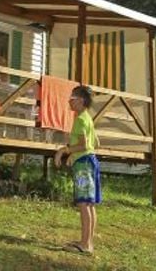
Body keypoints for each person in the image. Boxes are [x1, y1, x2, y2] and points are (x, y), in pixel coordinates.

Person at [54, 85, 101, 255]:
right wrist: (74, 155)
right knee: (89, 204)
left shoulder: (80, 119)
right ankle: (87, 241)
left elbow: (84, 145)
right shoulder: (87, 118)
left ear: (80, 101)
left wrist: (64, 151)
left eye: (72, 98)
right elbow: (96, 143)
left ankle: (85, 245)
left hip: (83, 166)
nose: (69, 101)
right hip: (90, 162)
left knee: (83, 203)